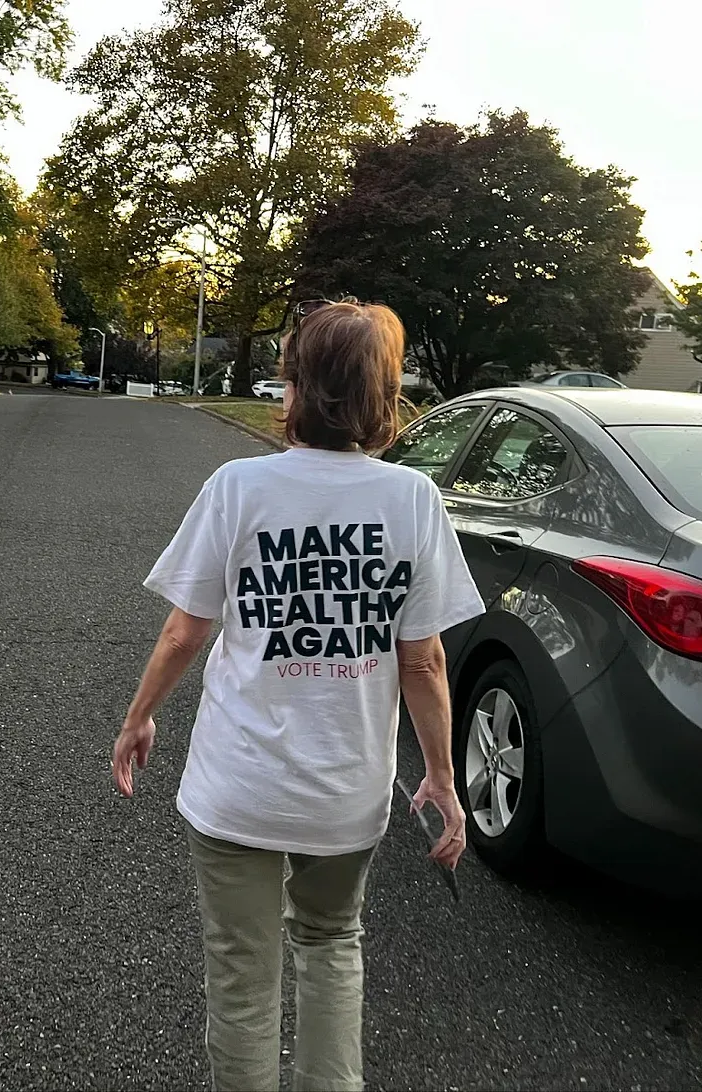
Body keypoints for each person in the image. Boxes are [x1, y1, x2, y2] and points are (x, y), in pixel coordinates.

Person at [112, 299, 485, 1092]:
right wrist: (444, 780)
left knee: (242, 976)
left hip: (237, 786)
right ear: (384, 396)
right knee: (331, 941)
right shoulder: (412, 501)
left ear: (296, 388)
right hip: (345, 792)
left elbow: (186, 633)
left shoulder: (239, 486)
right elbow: (422, 664)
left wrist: (140, 716)